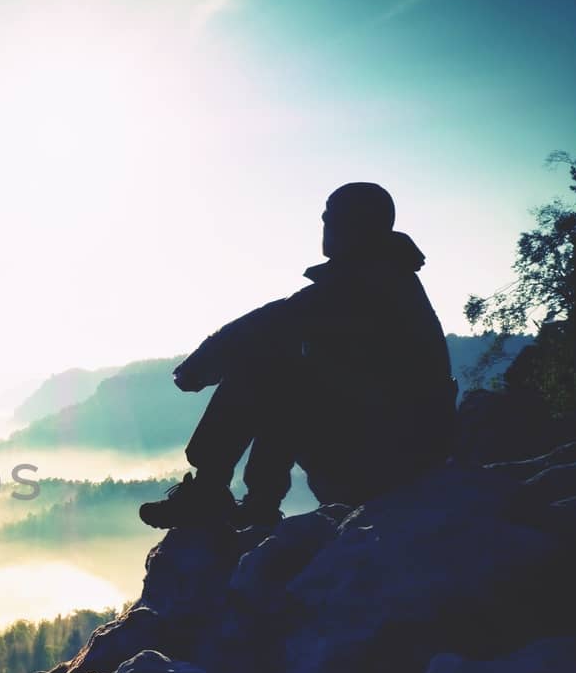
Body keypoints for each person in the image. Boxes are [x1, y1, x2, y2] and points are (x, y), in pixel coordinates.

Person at [139, 182, 455, 530]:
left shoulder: (365, 285)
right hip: (403, 449)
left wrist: (197, 369)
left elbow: (272, 323)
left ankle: (215, 492)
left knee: (264, 370)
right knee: (289, 375)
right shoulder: (384, 278)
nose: (323, 219)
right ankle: (250, 502)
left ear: (356, 225)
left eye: (332, 214)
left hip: (388, 461)